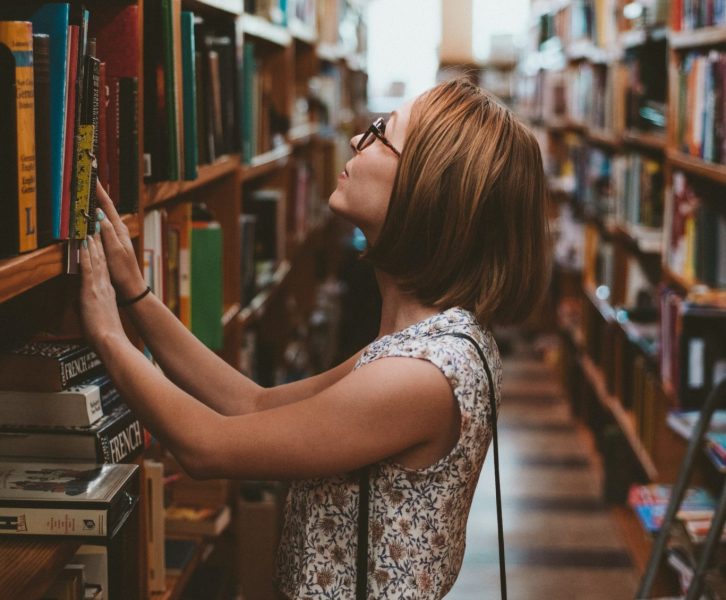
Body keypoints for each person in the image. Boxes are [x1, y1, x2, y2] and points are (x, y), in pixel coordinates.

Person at [79, 77, 549, 599]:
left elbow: (204, 447)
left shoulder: (417, 376)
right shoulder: (428, 342)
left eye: (379, 133)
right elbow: (249, 403)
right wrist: (138, 296)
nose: (356, 141)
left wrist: (106, 333)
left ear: (427, 188)